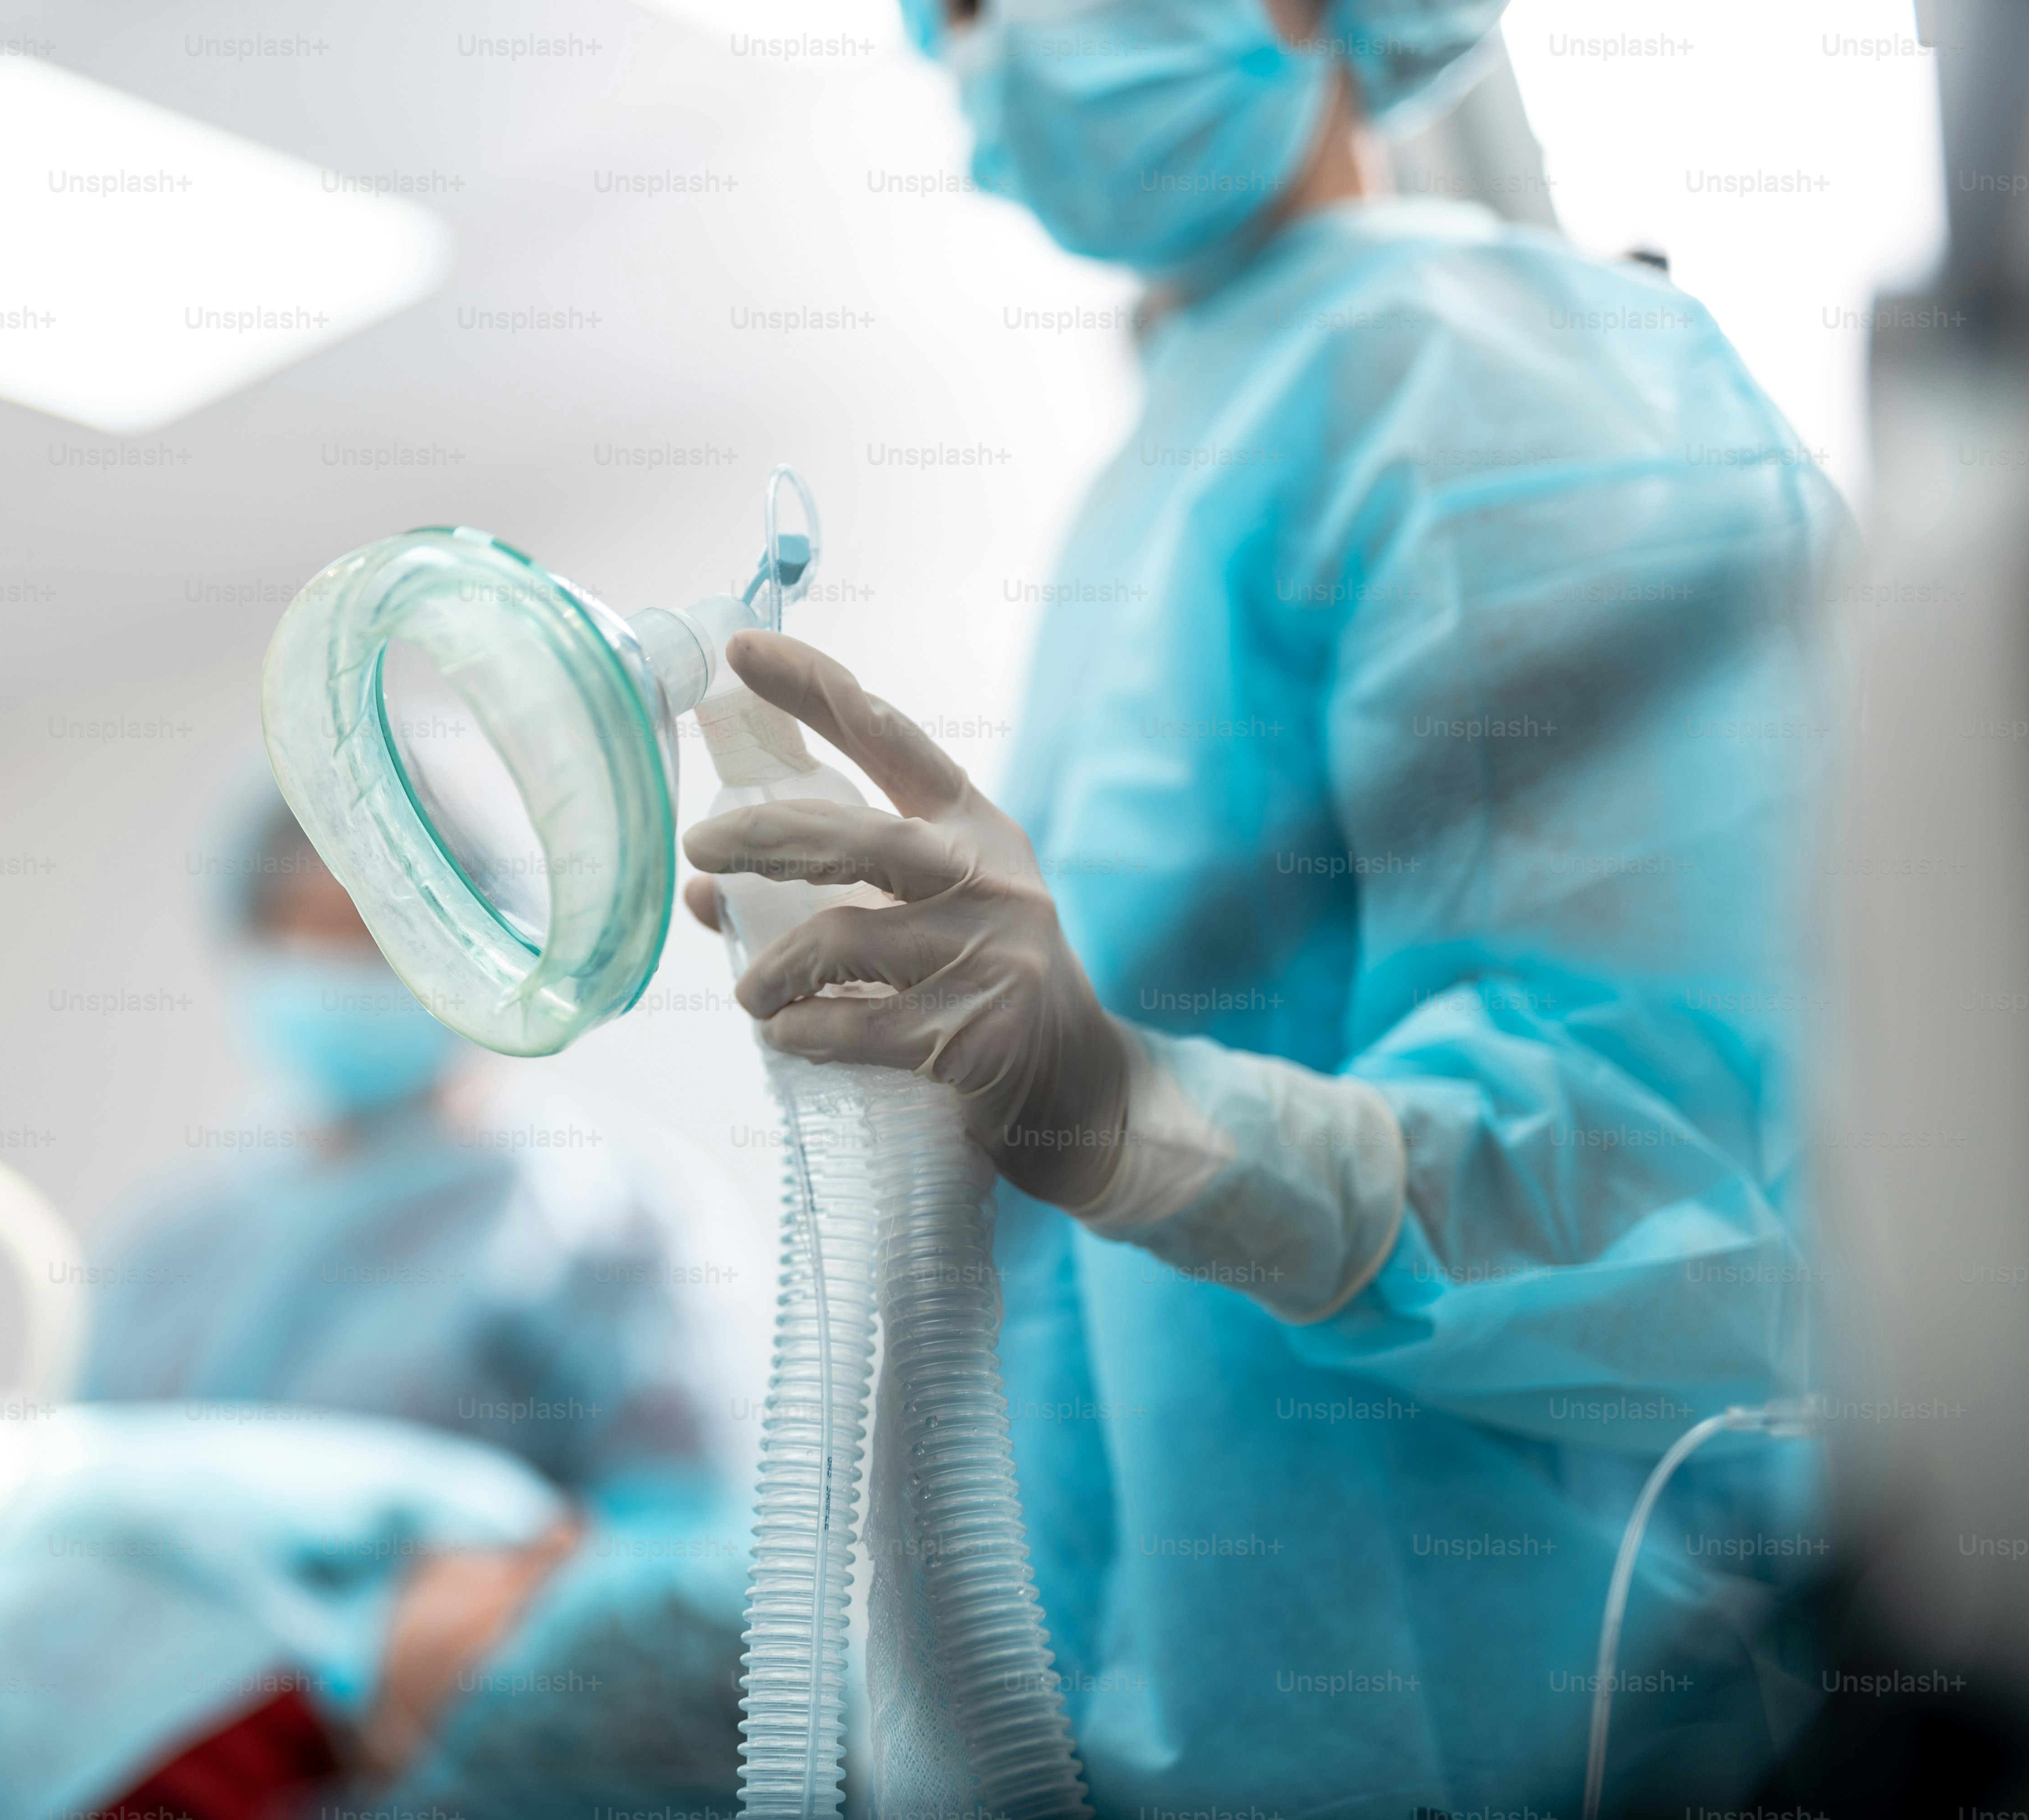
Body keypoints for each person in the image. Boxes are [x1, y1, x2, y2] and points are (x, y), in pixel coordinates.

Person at [679, 0, 1846, 1811]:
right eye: (949, 14)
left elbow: (1697, 1177)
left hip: (1582, 1718)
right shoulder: (1152, 487)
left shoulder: (1502, 370)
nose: (981, 48)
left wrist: (1138, 1114)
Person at [84, 793, 760, 1519]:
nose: (333, 965)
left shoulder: (613, 1223)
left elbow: (690, 1554)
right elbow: (79, 1531)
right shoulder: (172, 1246)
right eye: (302, 930)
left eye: (379, 928)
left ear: (482, 940)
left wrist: (495, 1605)